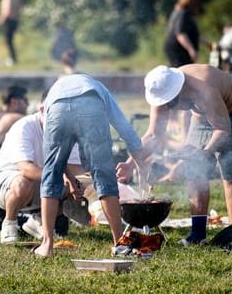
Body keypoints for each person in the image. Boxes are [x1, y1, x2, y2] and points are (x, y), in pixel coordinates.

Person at [124, 64, 232, 246]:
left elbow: (223, 128)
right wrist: (130, 164)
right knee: (195, 172)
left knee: (231, 174)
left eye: (169, 102)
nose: (168, 107)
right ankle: (197, 234)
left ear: (178, 90)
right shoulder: (161, 88)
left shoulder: (204, 89)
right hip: (203, 116)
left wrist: (205, 153)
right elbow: (154, 135)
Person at [33, 74, 148, 258]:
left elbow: (54, 160)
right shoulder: (98, 88)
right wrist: (141, 165)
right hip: (90, 104)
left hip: (56, 108)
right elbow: (124, 127)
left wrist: (66, 177)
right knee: (103, 176)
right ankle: (119, 243)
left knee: (50, 175)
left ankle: (47, 244)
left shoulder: (53, 93)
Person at [0, 90, 88, 244]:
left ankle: (37, 221)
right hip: (6, 181)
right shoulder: (24, 126)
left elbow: (74, 167)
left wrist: (97, 174)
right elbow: (26, 169)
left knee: (79, 183)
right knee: (23, 183)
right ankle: (9, 223)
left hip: (41, 181)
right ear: (41, 109)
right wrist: (62, 178)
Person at [0, 85, 29, 161]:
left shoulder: (0, 117)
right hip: (3, 171)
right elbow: (33, 119)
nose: (28, 104)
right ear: (14, 102)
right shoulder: (9, 119)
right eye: (25, 100)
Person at [164, 0, 201, 67]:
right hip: (179, 50)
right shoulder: (183, 14)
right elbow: (181, 34)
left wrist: (207, 44)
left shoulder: (177, 12)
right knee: (182, 72)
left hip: (173, 47)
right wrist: (191, 49)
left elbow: (191, 33)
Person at [0, 0, 21, 66]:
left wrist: (1, 19)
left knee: (8, 40)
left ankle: (12, 58)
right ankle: (12, 58)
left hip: (9, 20)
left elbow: (8, 10)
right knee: (9, 40)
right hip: (14, 20)